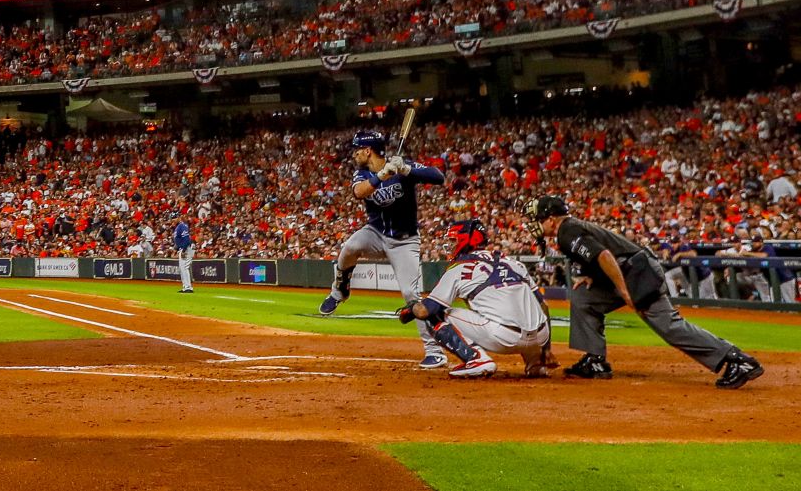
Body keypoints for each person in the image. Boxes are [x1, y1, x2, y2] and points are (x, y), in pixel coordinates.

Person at [524, 195, 763, 388]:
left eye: (537, 217)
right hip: (630, 270)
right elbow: (600, 255)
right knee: (583, 296)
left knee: (669, 326)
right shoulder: (571, 228)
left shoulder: (567, 230)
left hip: (638, 273)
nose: (533, 222)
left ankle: (735, 360)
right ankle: (595, 360)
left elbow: (605, 256)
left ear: (551, 218)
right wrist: (592, 275)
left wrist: (624, 290)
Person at [318, 129, 449, 371]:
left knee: (411, 294)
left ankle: (435, 351)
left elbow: (438, 177)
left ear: (368, 151)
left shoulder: (403, 166)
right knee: (349, 248)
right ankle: (340, 291)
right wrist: (381, 175)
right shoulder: (362, 173)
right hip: (376, 234)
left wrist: (407, 170)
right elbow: (359, 192)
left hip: (404, 241)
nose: (354, 154)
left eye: (357, 150)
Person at [398, 219, 554, 380]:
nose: (450, 245)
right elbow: (544, 307)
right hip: (540, 337)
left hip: (504, 338)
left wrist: (412, 307)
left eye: (453, 240)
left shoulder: (459, 267)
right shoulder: (513, 262)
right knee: (524, 310)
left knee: (437, 314)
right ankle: (536, 364)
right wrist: (547, 349)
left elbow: (425, 311)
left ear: (466, 239)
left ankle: (476, 359)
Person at [174, 215, 195, 293]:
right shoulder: (178, 227)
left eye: (175, 218)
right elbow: (180, 239)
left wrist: (183, 250)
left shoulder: (182, 226)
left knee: (184, 267)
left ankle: (188, 287)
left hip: (186, 248)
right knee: (182, 268)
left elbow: (186, 239)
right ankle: (185, 286)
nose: (173, 220)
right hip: (182, 248)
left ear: (179, 219)